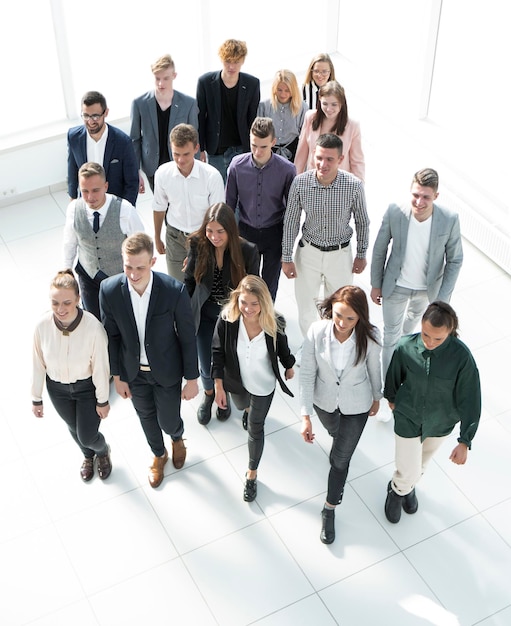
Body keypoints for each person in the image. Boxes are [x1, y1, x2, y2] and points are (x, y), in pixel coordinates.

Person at [99, 233, 199, 488]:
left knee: (168, 419)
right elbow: (111, 336)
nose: (133, 274)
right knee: (145, 417)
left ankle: (176, 437)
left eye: (140, 267)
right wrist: (118, 376)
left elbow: (187, 336)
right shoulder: (109, 290)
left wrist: (192, 378)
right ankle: (158, 454)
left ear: (153, 262)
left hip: (166, 370)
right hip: (134, 373)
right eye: (128, 266)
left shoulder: (173, 291)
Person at [383, 301, 481, 524]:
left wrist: (465, 441)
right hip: (407, 415)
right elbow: (393, 376)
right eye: (426, 335)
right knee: (408, 467)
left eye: (438, 338)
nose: (429, 342)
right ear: (421, 324)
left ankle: (408, 487)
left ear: (450, 331)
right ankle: (397, 491)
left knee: (422, 464)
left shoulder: (462, 357)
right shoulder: (406, 346)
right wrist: (391, 398)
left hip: (440, 422)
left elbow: (471, 399)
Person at [300, 286, 382, 543]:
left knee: (339, 461)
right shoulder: (316, 331)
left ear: (360, 317)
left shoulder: (369, 337)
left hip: (356, 405)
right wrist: (305, 416)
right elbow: (307, 374)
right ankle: (341, 441)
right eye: (338, 315)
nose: (343, 323)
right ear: (331, 307)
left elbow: (374, 369)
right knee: (336, 433)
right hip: (324, 402)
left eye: (350, 318)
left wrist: (377, 397)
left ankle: (329, 507)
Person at [370, 168, 463, 377]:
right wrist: (376, 283)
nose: (419, 202)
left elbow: (455, 259)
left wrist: (442, 299)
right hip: (396, 287)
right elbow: (380, 249)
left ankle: (404, 352)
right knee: (391, 336)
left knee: (410, 328)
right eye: (416, 195)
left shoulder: (449, 219)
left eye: (426, 197)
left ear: (435, 196)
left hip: (427, 291)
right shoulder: (395, 212)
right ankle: (389, 383)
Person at [212, 275, 295, 501]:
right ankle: (247, 411)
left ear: (264, 303)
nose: (248, 309)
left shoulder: (273, 323)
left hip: (263, 385)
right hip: (236, 382)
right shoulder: (227, 320)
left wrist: (289, 365)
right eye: (243, 302)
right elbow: (217, 353)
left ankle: (251, 473)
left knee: (255, 429)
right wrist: (218, 386)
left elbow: (283, 349)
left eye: (254, 304)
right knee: (241, 406)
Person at [282, 133, 369, 337]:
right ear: (313, 155)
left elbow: (362, 222)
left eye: (329, 159)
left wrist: (361, 254)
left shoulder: (354, 186)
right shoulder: (300, 183)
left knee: (339, 307)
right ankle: (309, 347)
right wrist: (286, 257)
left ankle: (332, 345)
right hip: (308, 252)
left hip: (340, 255)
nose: (323, 164)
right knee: (306, 308)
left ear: (340, 159)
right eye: (319, 157)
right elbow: (291, 222)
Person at [32, 270, 112, 482]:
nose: (60, 309)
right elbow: (38, 362)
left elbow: (101, 369)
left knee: (87, 435)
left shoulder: (93, 328)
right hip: (57, 390)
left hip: (87, 389)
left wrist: (103, 400)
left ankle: (102, 451)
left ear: (78, 299)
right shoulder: (42, 326)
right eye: (55, 302)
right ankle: (87, 456)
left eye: (67, 302)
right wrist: (36, 398)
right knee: (73, 429)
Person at [184, 203, 260, 425]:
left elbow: (255, 288)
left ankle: (245, 405)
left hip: (234, 315)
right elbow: (189, 281)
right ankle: (211, 395)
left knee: (236, 365)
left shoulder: (247, 250)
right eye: (209, 231)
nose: (214, 237)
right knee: (206, 364)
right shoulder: (198, 243)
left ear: (230, 230)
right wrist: (185, 313)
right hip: (205, 312)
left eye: (220, 231)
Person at [226, 117, 296, 300]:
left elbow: (292, 212)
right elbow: (228, 206)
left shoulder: (288, 170)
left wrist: (287, 250)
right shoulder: (236, 166)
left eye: (263, 146)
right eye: (253, 145)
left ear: (273, 142)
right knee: (245, 284)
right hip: (245, 233)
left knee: (269, 286)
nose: (257, 151)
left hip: (274, 233)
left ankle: (267, 322)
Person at [63, 162, 145, 320]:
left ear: (106, 186)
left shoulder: (125, 210)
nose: (90, 197)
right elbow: (69, 243)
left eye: (95, 190)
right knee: (94, 322)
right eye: (84, 191)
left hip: (119, 278)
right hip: (88, 276)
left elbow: (142, 246)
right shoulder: (74, 209)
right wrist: (67, 272)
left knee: (123, 321)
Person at [152, 123, 225, 281]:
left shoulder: (212, 176)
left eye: (185, 154)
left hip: (204, 238)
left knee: (204, 286)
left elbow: (217, 217)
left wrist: (207, 245)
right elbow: (159, 207)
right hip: (175, 238)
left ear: (196, 148)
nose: (180, 160)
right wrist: (157, 236)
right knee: (178, 288)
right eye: (176, 154)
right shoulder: (162, 174)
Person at [130, 54, 199, 193]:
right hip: (152, 167)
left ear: (174, 75)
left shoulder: (188, 103)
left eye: (166, 78)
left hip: (181, 164)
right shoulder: (139, 104)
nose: (161, 84)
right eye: (157, 79)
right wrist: (135, 171)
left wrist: (195, 169)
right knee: (162, 206)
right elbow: (134, 140)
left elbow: (194, 138)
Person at [196, 39, 260, 182]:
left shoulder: (252, 84)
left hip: (241, 147)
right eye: (227, 61)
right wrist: (200, 148)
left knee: (241, 191)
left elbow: (252, 119)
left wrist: (254, 148)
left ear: (242, 61)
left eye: (236, 61)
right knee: (218, 190)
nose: (231, 66)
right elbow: (200, 117)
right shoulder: (205, 82)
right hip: (216, 148)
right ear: (221, 59)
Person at [68, 91, 139, 207]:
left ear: (106, 113)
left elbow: (132, 182)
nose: (90, 121)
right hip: (86, 203)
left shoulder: (123, 142)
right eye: (86, 116)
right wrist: (73, 200)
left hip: (113, 204)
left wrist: (126, 211)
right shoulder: (73, 137)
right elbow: (72, 171)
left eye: (95, 116)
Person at [295, 80, 365, 181]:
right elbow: (301, 154)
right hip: (313, 181)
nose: (329, 109)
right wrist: (296, 181)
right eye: (325, 104)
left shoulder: (352, 125)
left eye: (334, 104)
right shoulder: (310, 117)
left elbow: (357, 162)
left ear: (341, 103)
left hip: (340, 183)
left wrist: (359, 188)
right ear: (319, 101)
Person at [257, 69, 308, 162]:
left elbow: (305, 134)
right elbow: (259, 133)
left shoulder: (302, 107)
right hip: (268, 152)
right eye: (279, 90)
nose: (283, 94)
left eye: (287, 90)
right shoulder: (264, 106)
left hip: (293, 152)